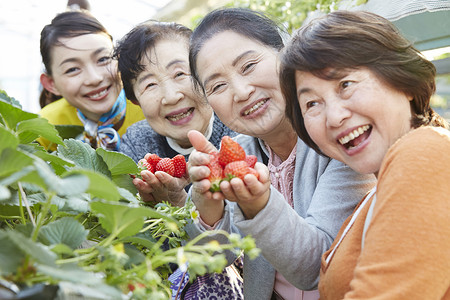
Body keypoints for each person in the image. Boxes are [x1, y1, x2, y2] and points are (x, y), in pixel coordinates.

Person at [185, 7, 376, 300]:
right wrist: (209, 213)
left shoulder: (341, 138)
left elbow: (315, 267)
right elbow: (216, 260)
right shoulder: (235, 156)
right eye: (218, 85)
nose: (241, 91)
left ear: (285, 54)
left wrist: (258, 205)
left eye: (248, 66)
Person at [279, 10, 450, 299]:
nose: (333, 117)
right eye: (311, 103)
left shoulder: (423, 151)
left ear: (403, 81)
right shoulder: (372, 197)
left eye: (345, 84)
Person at [114, 20, 237, 206]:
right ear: (136, 102)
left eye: (180, 74)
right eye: (150, 85)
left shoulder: (238, 121)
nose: (171, 97)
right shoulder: (137, 143)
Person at [38, 10, 145, 151]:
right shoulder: (44, 127)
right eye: (72, 69)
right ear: (51, 84)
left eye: (103, 59)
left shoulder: (149, 107)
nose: (94, 78)